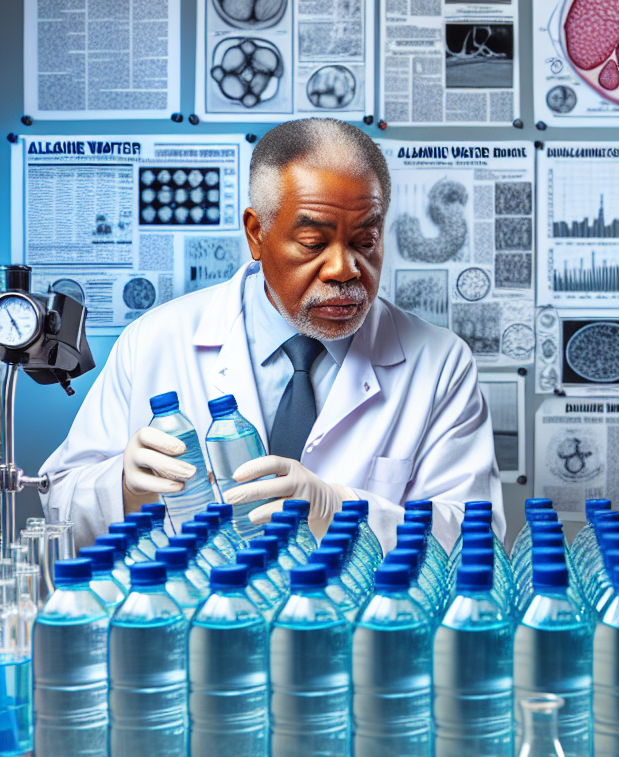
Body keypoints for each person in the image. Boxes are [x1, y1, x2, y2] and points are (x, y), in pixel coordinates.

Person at [41, 119, 503, 550]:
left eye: (366, 241)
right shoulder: (155, 342)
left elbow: (475, 539)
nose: (345, 268)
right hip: (199, 624)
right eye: (313, 243)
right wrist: (121, 487)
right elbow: (58, 503)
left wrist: (334, 509)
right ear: (257, 233)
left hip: (357, 629)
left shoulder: (439, 362)